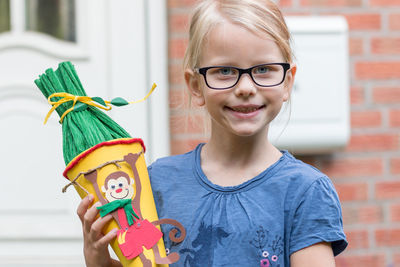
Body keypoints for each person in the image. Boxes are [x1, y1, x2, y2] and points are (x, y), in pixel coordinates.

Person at [77, 0, 348, 266]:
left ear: (287, 82)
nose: (245, 87)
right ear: (196, 86)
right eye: (225, 71)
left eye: (264, 69)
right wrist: (98, 259)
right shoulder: (155, 183)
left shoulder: (305, 191)